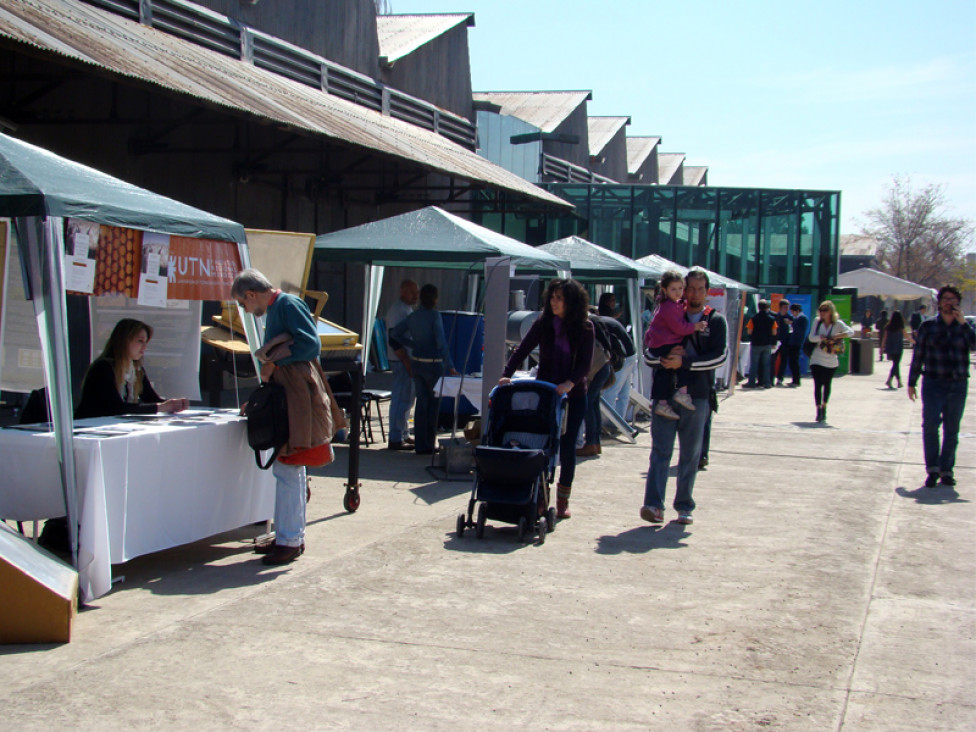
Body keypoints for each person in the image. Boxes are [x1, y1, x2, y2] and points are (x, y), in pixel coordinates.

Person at [233, 268, 341, 565]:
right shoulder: (282, 306)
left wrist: (273, 365)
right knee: (289, 465)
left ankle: (290, 539)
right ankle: (289, 536)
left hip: (295, 394)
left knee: (289, 465)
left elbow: (310, 344)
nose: (245, 309)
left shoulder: (287, 305)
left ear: (252, 294)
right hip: (290, 393)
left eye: (244, 303)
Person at [500, 278, 593, 519]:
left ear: (571, 301)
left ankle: (563, 500)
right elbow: (522, 350)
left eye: (560, 298)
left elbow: (585, 364)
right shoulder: (543, 324)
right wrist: (506, 375)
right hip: (546, 391)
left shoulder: (585, 327)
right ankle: (540, 496)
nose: (554, 302)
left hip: (574, 395)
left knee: (568, 445)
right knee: (543, 442)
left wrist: (569, 383)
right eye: (552, 297)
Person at [641, 268, 727, 525]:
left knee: (690, 454)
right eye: (690, 288)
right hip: (665, 395)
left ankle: (684, 505)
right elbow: (648, 353)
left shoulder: (715, 321)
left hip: (697, 396)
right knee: (660, 451)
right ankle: (654, 506)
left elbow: (719, 358)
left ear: (707, 291)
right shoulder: (667, 312)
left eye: (701, 289)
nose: (694, 293)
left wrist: (685, 364)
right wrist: (666, 361)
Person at [907, 285, 975, 488]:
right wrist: (911, 382)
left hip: (958, 383)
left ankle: (947, 470)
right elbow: (918, 354)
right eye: (945, 299)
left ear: (958, 303)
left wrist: (963, 324)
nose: (949, 302)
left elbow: (974, 345)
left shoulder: (965, 327)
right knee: (930, 426)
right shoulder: (928, 326)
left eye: (953, 299)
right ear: (939, 302)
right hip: (933, 383)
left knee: (952, 429)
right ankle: (932, 469)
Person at [390, 284, 458, 456]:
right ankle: (429, 444)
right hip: (433, 364)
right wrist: (450, 365)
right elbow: (441, 343)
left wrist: (414, 344)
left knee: (421, 404)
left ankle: (420, 445)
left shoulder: (413, 316)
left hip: (417, 363)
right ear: (435, 299)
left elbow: (395, 334)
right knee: (433, 406)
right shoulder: (435, 316)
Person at [75, 318, 189, 419]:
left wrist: (175, 404)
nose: (144, 347)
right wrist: (161, 407)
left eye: (146, 342)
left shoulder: (137, 369)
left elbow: (151, 399)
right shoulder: (103, 368)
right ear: (124, 340)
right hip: (89, 428)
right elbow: (116, 408)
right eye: (140, 341)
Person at [644, 270, 708, 419]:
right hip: (662, 343)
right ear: (665, 290)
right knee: (676, 363)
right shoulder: (668, 307)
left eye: (680, 288)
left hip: (662, 342)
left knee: (667, 370)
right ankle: (679, 393)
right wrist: (695, 326)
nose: (678, 292)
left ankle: (664, 401)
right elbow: (679, 327)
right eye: (674, 289)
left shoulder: (674, 304)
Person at [578, 311, 631, 458]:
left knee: (588, 404)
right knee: (593, 403)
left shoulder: (587, 323)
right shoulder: (594, 321)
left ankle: (590, 443)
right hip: (604, 366)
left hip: (598, 368)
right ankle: (595, 443)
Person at [384, 279, 419, 451]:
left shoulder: (407, 309)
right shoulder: (398, 311)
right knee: (400, 398)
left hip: (406, 360)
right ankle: (395, 438)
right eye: (412, 292)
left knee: (407, 399)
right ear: (403, 292)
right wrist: (406, 362)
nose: (416, 296)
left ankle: (403, 433)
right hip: (400, 360)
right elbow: (394, 341)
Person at [807, 300, 854, 423]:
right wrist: (820, 338)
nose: (822, 312)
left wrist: (839, 336)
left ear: (831, 312)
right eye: (821, 310)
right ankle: (818, 410)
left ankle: (824, 406)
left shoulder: (837, 323)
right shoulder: (817, 322)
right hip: (817, 358)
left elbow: (851, 332)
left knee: (827, 384)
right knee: (817, 384)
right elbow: (811, 337)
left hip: (831, 359)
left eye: (825, 310)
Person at [597, 309, 639, 423]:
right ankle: (618, 422)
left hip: (624, 355)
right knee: (624, 392)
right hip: (631, 352)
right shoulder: (606, 321)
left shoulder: (597, 324)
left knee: (611, 390)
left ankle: (606, 422)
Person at [745, 299, 777, 389]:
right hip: (767, 344)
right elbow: (774, 332)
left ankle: (751, 383)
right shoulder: (772, 319)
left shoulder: (753, 318)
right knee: (766, 364)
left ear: (758, 308)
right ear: (767, 308)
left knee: (754, 364)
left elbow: (749, 331)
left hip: (756, 343)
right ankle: (767, 383)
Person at [883, 311, 910, 389]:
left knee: (895, 364)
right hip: (898, 347)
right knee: (896, 364)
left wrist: (882, 348)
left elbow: (884, 338)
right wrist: (914, 342)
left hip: (890, 347)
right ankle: (889, 380)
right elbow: (906, 336)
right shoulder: (901, 326)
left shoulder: (888, 326)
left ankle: (899, 382)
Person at [785, 302, 808, 387]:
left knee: (794, 362)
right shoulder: (796, 318)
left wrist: (791, 323)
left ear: (797, 311)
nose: (792, 314)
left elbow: (800, 330)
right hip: (792, 342)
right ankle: (794, 379)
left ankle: (796, 380)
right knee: (792, 361)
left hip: (797, 343)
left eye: (793, 312)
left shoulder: (803, 318)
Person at [774, 299, 794, 386]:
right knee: (773, 359)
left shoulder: (790, 318)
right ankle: (770, 377)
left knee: (783, 360)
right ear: (780, 307)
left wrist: (791, 324)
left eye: (787, 307)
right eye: (785, 307)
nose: (786, 309)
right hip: (776, 341)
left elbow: (793, 330)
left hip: (786, 342)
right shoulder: (776, 317)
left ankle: (780, 378)